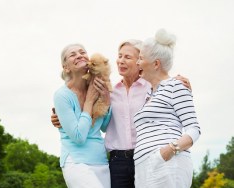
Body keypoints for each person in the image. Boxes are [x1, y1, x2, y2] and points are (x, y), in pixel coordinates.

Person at [51, 40, 191, 188]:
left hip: (145, 157)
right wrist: (58, 118)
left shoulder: (153, 87)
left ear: (140, 62)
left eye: (127, 57)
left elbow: (171, 94)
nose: (120, 61)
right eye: (119, 56)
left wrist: (177, 82)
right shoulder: (110, 91)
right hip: (117, 162)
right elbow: (104, 126)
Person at [134, 29, 201, 188]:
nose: (137, 63)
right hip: (144, 166)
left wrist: (169, 150)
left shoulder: (176, 85)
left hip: (167, 162)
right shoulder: (149, 94)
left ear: (156, 64)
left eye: (141, 58)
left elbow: (194, 129)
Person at [53, 43, 112, 188]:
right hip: (76, 161)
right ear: (66, 67)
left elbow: (105, 127)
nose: (79, 55)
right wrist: (90, 101)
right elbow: (78, 137)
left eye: (82, 52)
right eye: (73, 55)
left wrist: (106, 100)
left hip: (101, 161)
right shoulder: (62, 95)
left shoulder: (98, 86)